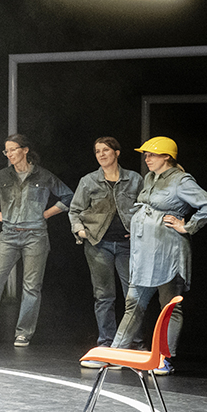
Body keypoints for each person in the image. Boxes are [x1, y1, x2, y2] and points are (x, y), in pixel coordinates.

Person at [104, 137, 207, 375]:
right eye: (146, 155)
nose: (147, 159)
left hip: (168, 251)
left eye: (152, 155)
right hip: (144, 252)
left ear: (167, 156)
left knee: (169, 307)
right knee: (133, 303)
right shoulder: (150, 178)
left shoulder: (181, 180)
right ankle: (117, 353)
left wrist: (187, 226)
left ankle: (164, 359)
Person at [0, 134, 73, 347]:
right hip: (9, 234)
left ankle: (24, 333)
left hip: (35, 235)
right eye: (7, 151)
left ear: (25, 150)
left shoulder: (43, 175)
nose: (9, 154)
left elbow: (68, 197)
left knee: (31, 286)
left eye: (13, 149)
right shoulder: (3, 175)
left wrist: (46, 213)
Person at [68, 137, 144, 355]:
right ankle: (106, 342)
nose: (101, 154)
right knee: (104, 296)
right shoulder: (89, 181)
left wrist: (138, 230)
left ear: (116, 153)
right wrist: (80, 231)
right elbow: (75, 210)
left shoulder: (134, 179)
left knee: (133, 295)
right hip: (98, 244)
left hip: (128, 245)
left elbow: (144, 207)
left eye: (106, 150)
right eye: (97, 151)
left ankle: (135, 341)